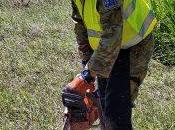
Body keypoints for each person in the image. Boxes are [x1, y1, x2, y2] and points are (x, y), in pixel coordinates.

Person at [69, 0, 157, 129]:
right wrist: (87, 61)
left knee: (116, 111)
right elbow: (80, 22)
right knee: (103, 103)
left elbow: (112, 34)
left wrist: (88, 73)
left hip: (133, 44)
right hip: (106, 47)